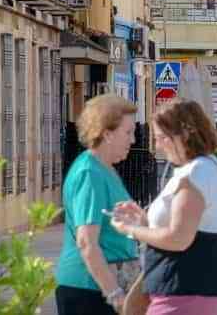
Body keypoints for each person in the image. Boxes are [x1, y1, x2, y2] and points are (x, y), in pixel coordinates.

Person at [111, 98, 217, 315]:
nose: (157, 146)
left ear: (183, 135)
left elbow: (178, 238)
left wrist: (130, 229)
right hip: (190, 289)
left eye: (161, 138)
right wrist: (144, 222)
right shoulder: (207, 167)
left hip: (185, 291)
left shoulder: (196, 174)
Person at [55, 94, 139, 315]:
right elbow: (86, 242)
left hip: (101, 288)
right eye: (128, 132)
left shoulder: (105, 168)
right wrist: (114, 294)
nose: (133, 140)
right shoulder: (89, 173)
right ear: (107, 133)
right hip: (89, 290)